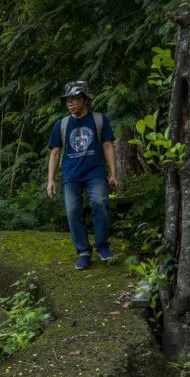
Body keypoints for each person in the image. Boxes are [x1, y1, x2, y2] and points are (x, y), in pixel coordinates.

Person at [46, 81, 119, 270]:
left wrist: (113, 173)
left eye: (75, 98)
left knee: (100, 203)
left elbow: (108, 146)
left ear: (85, 100)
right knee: (72, 212)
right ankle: (84, 252)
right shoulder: (61, 124)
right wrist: (51, 180)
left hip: (95, 171)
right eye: (68, 100)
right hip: (71, 174)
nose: (70, 103)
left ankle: (102, 246)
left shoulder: (99, 120)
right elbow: (55, 153)